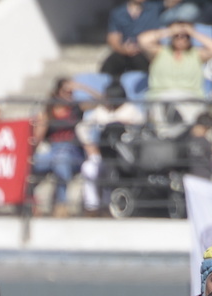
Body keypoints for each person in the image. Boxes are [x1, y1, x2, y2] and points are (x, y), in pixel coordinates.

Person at [138, 21, 212, 136]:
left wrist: (192, 32)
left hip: (190, 97)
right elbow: (142, 40)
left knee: (195, 120)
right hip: (161, 97)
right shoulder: (160, 52)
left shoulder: (196, 54)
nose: (181, 39)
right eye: (177, 37)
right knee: (163, 117)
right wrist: (171, 31)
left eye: (185, 37)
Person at [77, 82, 146, 217]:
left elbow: (142, 127)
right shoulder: (100, 110)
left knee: (112, 174)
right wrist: (89, 145)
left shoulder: (131, 110)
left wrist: (126, 123)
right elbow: (81, 127)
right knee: (89, 168)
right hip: (103, 153)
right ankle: (92, 207)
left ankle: (108, 206)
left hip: (124, 156)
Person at [30, 78, 87, 218]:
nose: (69, 95)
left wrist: (81, 87)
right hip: (52, 150)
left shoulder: (76, 108)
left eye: (71, 92)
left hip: (71, 150)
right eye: (66, 92)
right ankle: (29, 203)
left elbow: (101, 100)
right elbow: (37, 139)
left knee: (62, 161)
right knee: (32, 164)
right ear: (57, 92)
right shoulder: (48, 112)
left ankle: (61, 205)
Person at [101, 0, 163, 79]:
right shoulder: (118, 13)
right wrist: (123, 49)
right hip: (125, 50)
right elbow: (113, 37)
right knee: (110, 64)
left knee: (141, 63)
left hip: (147, 52)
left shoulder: (155, 8)